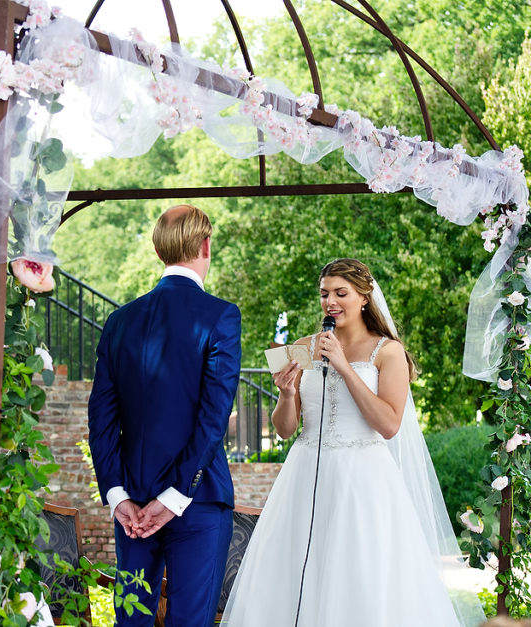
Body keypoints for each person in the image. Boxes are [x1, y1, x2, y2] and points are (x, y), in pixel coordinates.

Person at [221, 258, 485, 626]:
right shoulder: (301, 347)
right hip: (305, 475)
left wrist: (344, 367)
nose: (330, 301)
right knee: (297, 570)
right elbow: (285, 429)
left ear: (364, 297)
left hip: (363, 480)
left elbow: (389, 424)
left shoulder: (387, 351)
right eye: (324, 294)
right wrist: (284, 394)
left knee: (358, 573)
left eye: (340, 293)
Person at [88, 204, 242, 626]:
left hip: (132, 508)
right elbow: (213, 419)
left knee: (132, 620)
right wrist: (174, 498)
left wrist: (118, 497)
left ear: (159, 252)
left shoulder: (119, 322)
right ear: (206, 245)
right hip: (200, 501)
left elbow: (99, 418)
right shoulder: (221, 316)